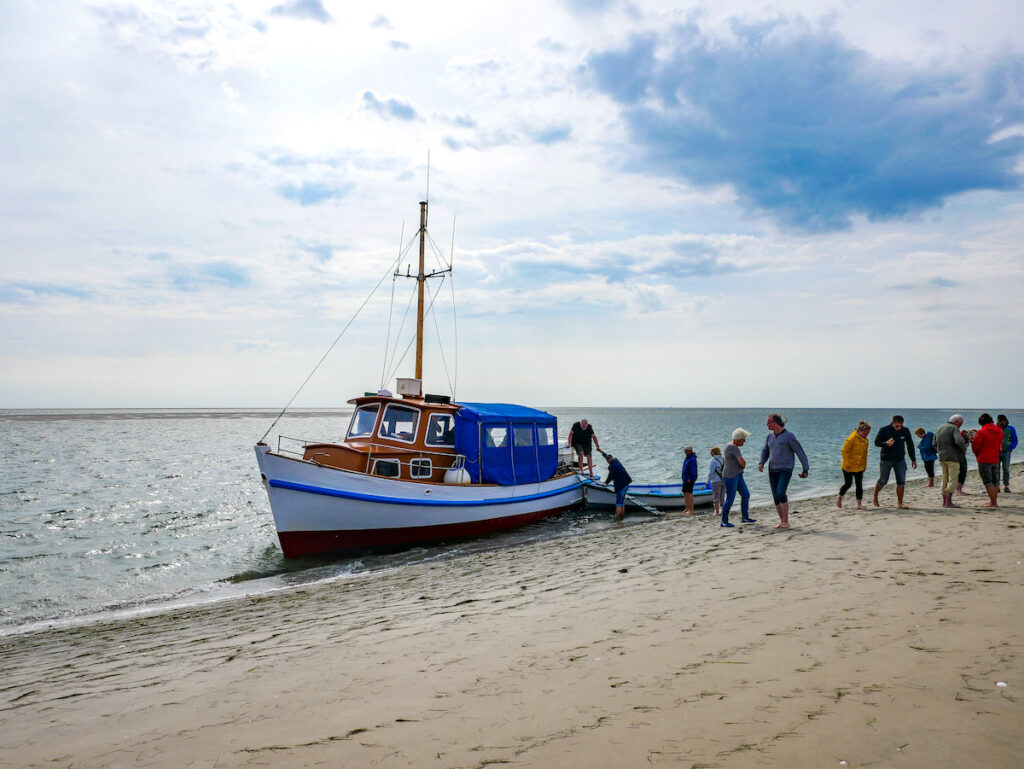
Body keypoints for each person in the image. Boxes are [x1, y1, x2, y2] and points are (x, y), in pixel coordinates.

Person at [758, 413, 809, 529]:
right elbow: (765, 451)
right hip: (772, 469)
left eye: (768, 422)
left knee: (780, 493)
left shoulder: (789, 436)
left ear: (775, 423)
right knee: (775, 496)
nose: (767, 424)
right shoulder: (769, 437)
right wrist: (761, 462)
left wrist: (805, 468)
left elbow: (799, 451)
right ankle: (782, 522)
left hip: (785, 469)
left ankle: (786, 521)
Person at [872, 415, 917, 509]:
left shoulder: (905, 431)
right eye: (897, 426)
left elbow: (910, 445)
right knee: (883, 480)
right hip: (886, 459)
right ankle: (875, 496)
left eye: (901, 426)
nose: (899, 428)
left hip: (900, 459)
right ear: (892, 423)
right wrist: (886, 444)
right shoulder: (884, 430)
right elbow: (876, 442)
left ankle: (900, 502)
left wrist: (913, 459)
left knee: (901, 481)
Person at [721, 428, 755, 527]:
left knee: (746, 494)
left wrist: (741, 466)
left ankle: (745, 517)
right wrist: (743, 465)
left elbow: (736, 462)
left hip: (738, 474)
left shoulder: (732, 446)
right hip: (731, 476)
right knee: (730, 498)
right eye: (743, 439)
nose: (744, 441)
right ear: (738, 439)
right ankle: (724, 521)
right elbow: (742, 462)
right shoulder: (733, 447)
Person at [934, 414, 967, 508]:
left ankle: (944, 502)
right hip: (953, 457)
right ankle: (949, 502)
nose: (960, 426)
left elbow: (934, 443)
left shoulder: (940, 427)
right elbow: (959, 441)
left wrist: (940, 451)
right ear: (957, 422)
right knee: (953, 479)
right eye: (960, 424)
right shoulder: (954, 428)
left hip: (942, 457)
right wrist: (963, 450)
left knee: (944, 479)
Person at [837, 421, 871, 509]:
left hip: (859, 466)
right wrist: (847, 463)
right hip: (848, 466)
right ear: (860, 430)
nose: (867, 435)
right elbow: (844, 451)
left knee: (859, 485)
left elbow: (864, 455)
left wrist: (864, 466)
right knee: (848, 484)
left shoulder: (866, 440)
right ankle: (840, 497)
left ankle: (859, 504)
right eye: (865, 433)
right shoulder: (852, 438)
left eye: (868, 433)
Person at [972, 413, 1002, 508]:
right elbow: (1000, 442)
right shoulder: (999, 430)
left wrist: (976, 453)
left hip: (984, 458)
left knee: (988, 481)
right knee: (995, 481)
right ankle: (994, 501)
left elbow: (976, 446)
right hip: (995, 457)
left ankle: (993, 503)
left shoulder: (982, 432)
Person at [600, 450, 632, 519]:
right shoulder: (616, 461)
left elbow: (610, 476)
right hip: (626, 483)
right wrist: (601, 452)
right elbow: (607, 456)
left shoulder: (612, 466)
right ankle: (622, 516)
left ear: (608, 461)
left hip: (621, 485)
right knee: (622, 502)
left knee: (618, 503)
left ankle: (617, 518)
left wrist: (605, 483)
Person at [997, 415, 1018, 493]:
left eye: (1001, 422)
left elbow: (1015, 440)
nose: (999, 424)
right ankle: (997, 486)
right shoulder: (995, 428)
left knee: (1006, 469)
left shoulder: (1010, 429)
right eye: (998, 422)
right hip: (997, 452)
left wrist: (1010, 449)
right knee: (996, 470)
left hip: (1006, 452)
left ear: (1005, 421)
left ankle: (1006, 486)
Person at [707, 447, 725, 519]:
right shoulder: (723, 459)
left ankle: (717, 511)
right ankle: (723, 511)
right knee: (722, 496)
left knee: (716, 497)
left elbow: (711, 473)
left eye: (711, 452)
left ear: (714, 452)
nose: (710, 453)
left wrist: (708, 481)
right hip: (724, 480)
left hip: (716, 481)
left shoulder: (713, 461)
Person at [681, 446, 698, 516]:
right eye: (685, 451)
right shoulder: (687, 458)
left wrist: (690, 478)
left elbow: (693, 469)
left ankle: (691, 509)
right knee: (685, 493)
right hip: (685, 478)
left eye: (686, 451)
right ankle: (687, 508)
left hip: (690, 478)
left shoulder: (692, 459)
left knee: (689, 493)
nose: (685, 452)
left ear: (690, 451)